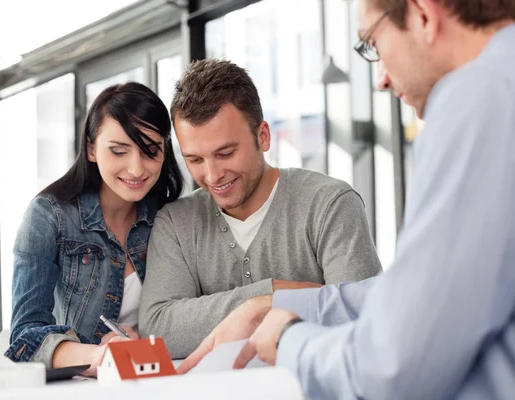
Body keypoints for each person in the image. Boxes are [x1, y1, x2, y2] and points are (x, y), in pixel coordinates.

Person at [179, 1, 515, 399]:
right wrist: (274, 305)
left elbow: (395, 365)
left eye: (373, 42)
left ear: (423, 14)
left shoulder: (483, 98)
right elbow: (423, 292)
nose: (382, 78)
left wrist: (292, 342)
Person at [138, 59, 382, 359]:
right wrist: (273, 293)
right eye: (195, 160)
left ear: (263, 136)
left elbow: (362, 318)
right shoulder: (175, 224)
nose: (212, 177)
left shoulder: (329, 204)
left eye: (225, 153)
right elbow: (159, 328)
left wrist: (255, 308)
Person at [5, 82, 183, 376]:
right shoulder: (49, 217)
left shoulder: (171, 218)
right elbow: (25, 337)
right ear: (91, 148)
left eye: (150, 151)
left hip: (160, 379)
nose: (136, 169)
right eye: (118, 151)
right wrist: (100, 356)